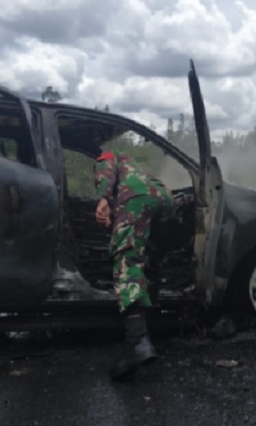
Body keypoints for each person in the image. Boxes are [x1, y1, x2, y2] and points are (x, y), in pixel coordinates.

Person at [94, 150, 174, 380]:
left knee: (127, 261)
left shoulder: (108, 155)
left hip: (136, 198)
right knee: (149, 264)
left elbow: (105, 170)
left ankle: (137, 343)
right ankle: (152, 328)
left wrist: (103, 199)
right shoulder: (135, 164)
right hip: (165, 200)